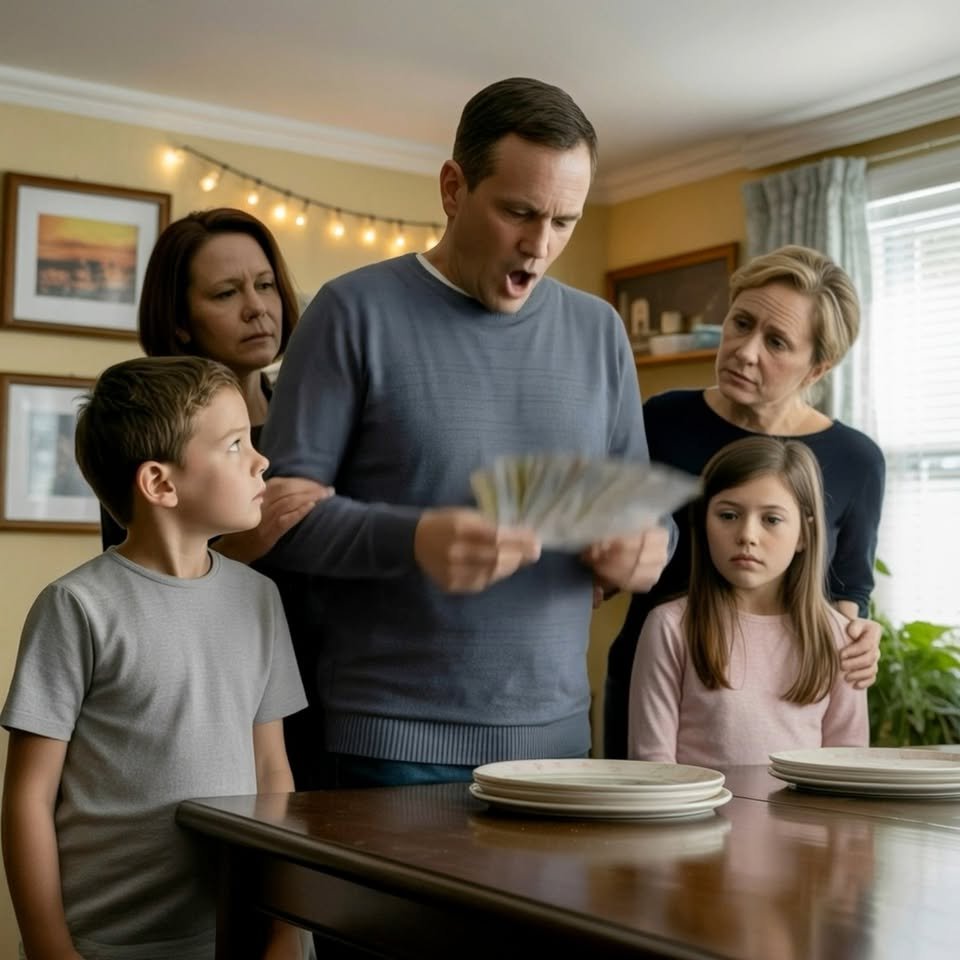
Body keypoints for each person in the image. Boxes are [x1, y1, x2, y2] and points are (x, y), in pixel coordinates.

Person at [257, 76, 672, 788]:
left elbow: (640, 508)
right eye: (519, 212)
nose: (540, 246)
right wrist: (414, 538)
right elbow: (276, 522)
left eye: (565, 221)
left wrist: (647, 547)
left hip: (562, 743)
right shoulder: (350, 311)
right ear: (453, 188)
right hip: (386, 745)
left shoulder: (599, 330)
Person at [1, 357, 308, 960]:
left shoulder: (260, 600)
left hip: (237, 933)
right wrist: (47, 946)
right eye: (235, 445)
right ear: (160, 484)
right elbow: (28, 798)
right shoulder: (76, 607)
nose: (262, 460)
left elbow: (273, 776)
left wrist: (286, 930)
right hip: (108, 944)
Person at [605, 244, 885, 758]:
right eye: (741, 323)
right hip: (655, 689)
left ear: (816, 369)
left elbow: (847, 592)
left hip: (784, 708)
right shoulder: (661, 423)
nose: (745, 350)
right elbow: (610, 552)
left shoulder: (856, 461)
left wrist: (860, 639)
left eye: (776, 341)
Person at [100, 207, 330, 561]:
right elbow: (136, 586)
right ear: (180, 321)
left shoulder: (319, 418)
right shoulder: (143, 431)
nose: (257, 308)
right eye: (226, 293)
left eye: (265, 285)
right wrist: (242, 546)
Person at [628, 436, 869, 766]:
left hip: (805, 819)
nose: (747, 535)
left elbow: (848, 766)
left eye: (771, 519)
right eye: (728, 515)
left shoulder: (842, 639)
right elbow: (653, 765)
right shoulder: (669, 626)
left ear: (804, 534)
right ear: (703, 522)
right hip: (695, 817)